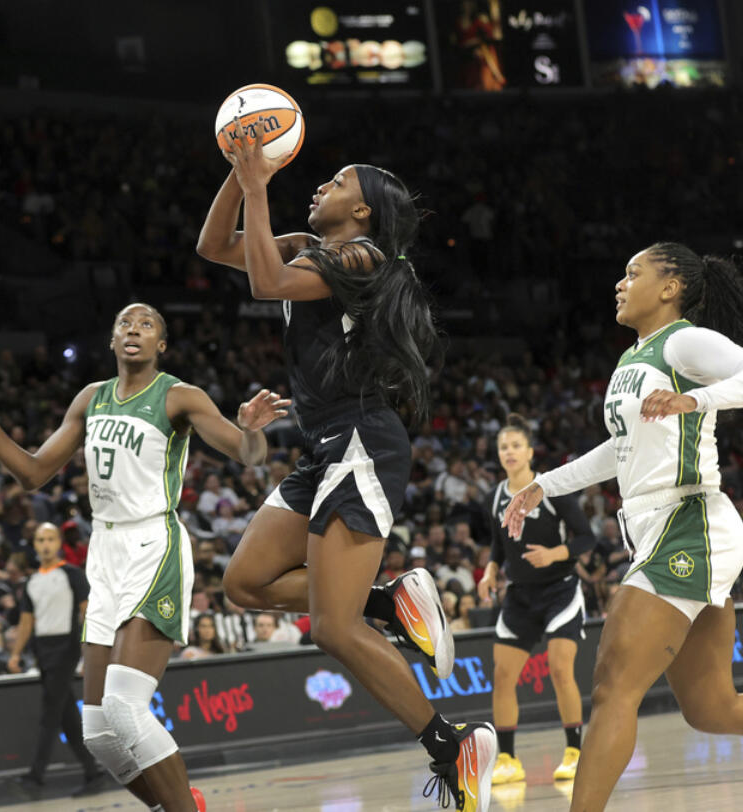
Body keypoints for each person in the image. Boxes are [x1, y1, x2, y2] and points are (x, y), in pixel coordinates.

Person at [501, 242, 743, 811]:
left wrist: (693, 399)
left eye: (633, 273)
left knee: (612, 687)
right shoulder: (633, 359)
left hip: (690, 520)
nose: (620, 283)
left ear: (671, 286)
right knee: (711, 708)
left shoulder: (682, 340)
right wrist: (545, 485)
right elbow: (622, 449)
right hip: (662, 527)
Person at [199, 121, 495, 811]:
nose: (321, 186)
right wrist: (238, 166)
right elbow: (214, 246)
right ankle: (387, 601)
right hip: (324, 443)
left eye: (336, 183)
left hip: (362, 437)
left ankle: (452, 746)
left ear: (361, 211)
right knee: (243, 583)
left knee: (332, 629)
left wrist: (257, 186)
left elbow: (265, 280)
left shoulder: (365, 259)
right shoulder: (311, 248)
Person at [0, 303, 287, 812]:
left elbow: (247, 455)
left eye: (147, 325)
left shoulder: (178, 396)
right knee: (98, 731)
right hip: (104, 551)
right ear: (111, 339)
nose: (134, 330)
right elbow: (33, 473)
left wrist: (253, 430)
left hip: (152, 543)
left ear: (161, 345)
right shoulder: (91, 398)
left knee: (126, 710)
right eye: (125, 323)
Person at [479, 414, 595, 786]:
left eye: (516, 445)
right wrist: (490, 569)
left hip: (560, 590)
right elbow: (499, 544)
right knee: (502, 676)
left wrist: (555, 553)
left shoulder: (553, 489)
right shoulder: (495, 497)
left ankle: (575, 751)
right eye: (503, 447)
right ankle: (509, 759)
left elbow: (586, 539)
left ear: (529, 451)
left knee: (560, 669)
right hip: (519, 596)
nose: (509, 452)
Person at [5, 522, 99, 790]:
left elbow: (87, 612)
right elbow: (26, 621)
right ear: (34, 545)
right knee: (66, 714)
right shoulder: (32, 581)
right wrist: (15, 654)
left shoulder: (72, 574)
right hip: (42, 649)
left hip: (66, 646)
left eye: (49, 539)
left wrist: (88, 652)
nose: (45, 544)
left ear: (58, 543)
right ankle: (93, 772)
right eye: (40, 540)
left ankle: (36, 776)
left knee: (50, 712)